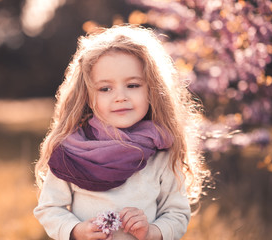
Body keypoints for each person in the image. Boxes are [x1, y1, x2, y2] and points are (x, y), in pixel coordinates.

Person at [33, 25, 206, 240]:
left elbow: (177, 214)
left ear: (152, 89)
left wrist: (151, 231)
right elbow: (49, 209)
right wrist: (77, 231)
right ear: (87, 96)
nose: (120, 97)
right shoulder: (71, 151)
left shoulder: (162, 151)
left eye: (132, 85)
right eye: (105, 89)